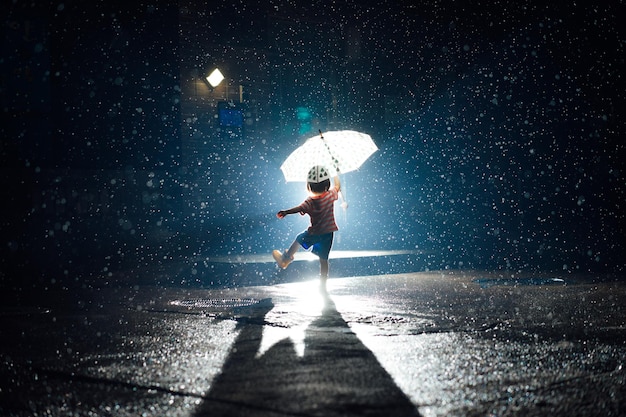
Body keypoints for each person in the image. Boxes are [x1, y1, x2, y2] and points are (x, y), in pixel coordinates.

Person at [273, 165, 341, 288]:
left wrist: (286, 212)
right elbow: (337, 187)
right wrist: (335, 173)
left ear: (309, 185)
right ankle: (323, 283)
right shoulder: (330, 195)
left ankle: (286, 259)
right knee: (324, 260)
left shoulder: (310, 201)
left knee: (299, 239)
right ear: (327, 185)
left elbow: (298, 208)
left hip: (314, 233)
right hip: (328, 234)